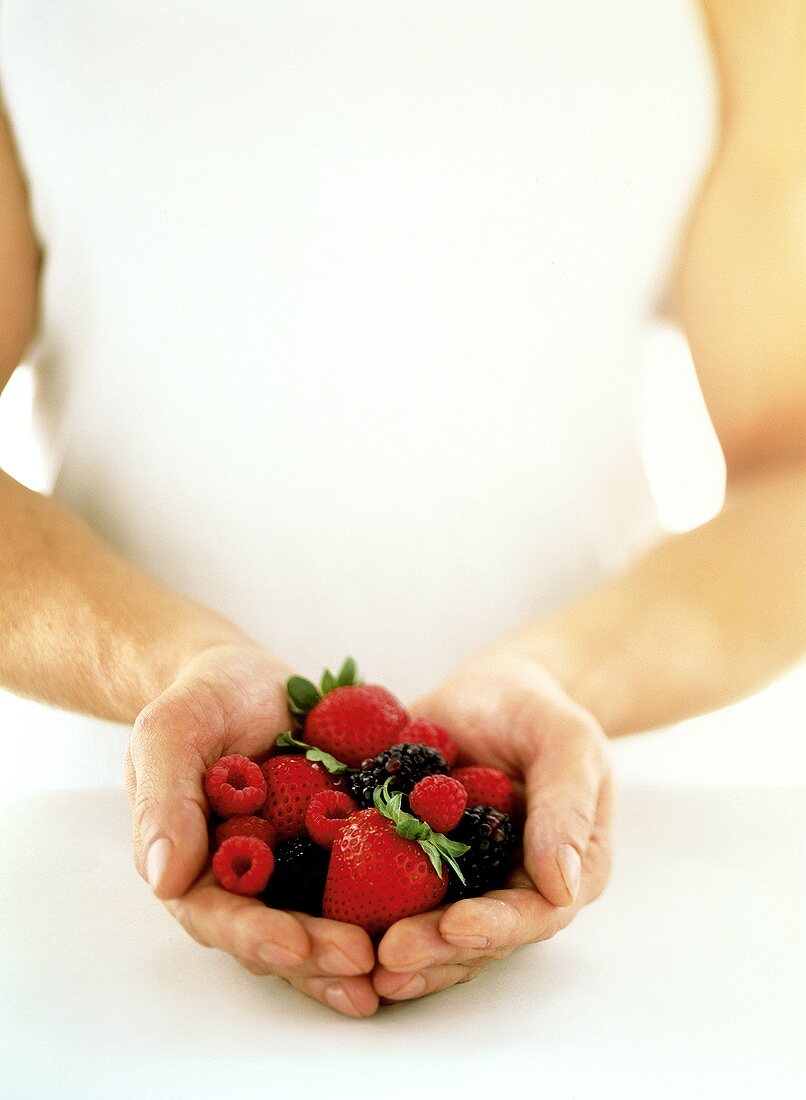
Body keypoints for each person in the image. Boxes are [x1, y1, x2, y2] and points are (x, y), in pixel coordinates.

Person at [0, 0, 803, 1018]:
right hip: (106, 865)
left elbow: (791, 473)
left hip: (593, 856)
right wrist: (169, 669)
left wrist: (559, 678)